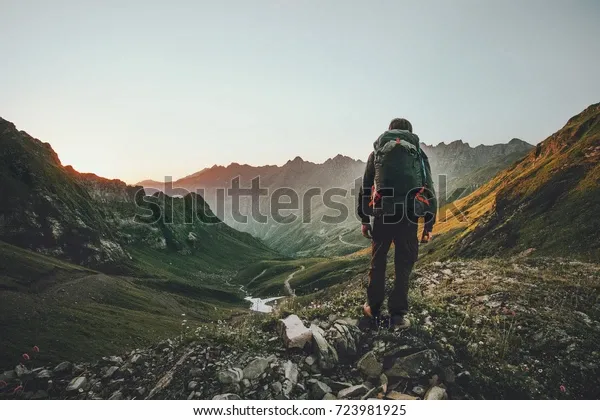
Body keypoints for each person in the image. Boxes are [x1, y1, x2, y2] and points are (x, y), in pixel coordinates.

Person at [357, 117, 436, 329]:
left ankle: (373, 309)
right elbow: (429, 189)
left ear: (389, 131)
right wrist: (428, 225)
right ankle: (398, 315)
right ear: (410, 132)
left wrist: (365, 219)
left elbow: (366, 188)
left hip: (383, 212)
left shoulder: (377, 154)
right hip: (409, 215)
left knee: (378, 261)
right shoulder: (418, 155)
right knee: (403, 264)